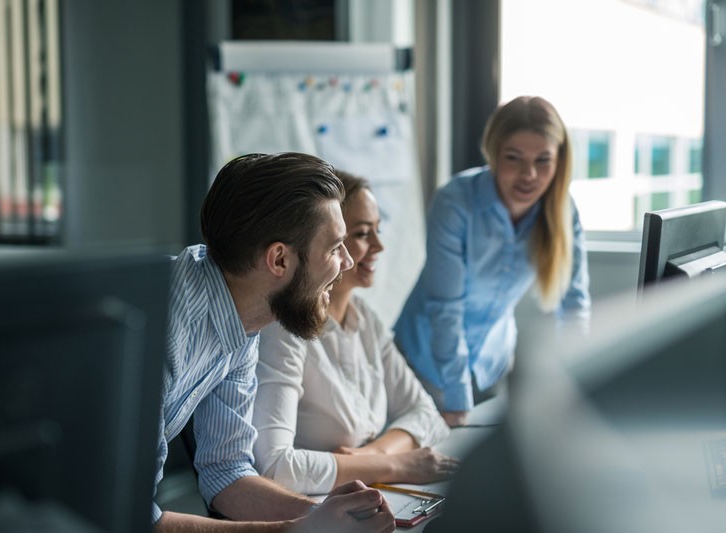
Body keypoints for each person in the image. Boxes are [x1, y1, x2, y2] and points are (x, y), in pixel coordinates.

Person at [155, 152, 396, 533]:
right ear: (279, 259)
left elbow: (227, 471)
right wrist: (295, 531)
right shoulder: (163, 326)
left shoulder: (244, 318)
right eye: (335, 248)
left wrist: (318, 516)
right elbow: (133, 518)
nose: (347, 262)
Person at [252, 170, 458, 496]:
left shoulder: (365, 319)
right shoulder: (284, 330)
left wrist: (370, 456)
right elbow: (276, 470)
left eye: (377, 230)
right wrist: (396, 464)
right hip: (311, 507)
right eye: (362, 233)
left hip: (368, 491)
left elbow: (426, 414)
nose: (378, 246)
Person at [394, 96, 591, 428]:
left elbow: (574, 305)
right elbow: (446, 308)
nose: (529, 175)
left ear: (559, 161)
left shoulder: (562, 210)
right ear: (493, 153)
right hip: (423, 365)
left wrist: (579, 384)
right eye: (514, 158)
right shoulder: (456, 201)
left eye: (543, 160)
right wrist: (457, 400)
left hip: (491, 365)